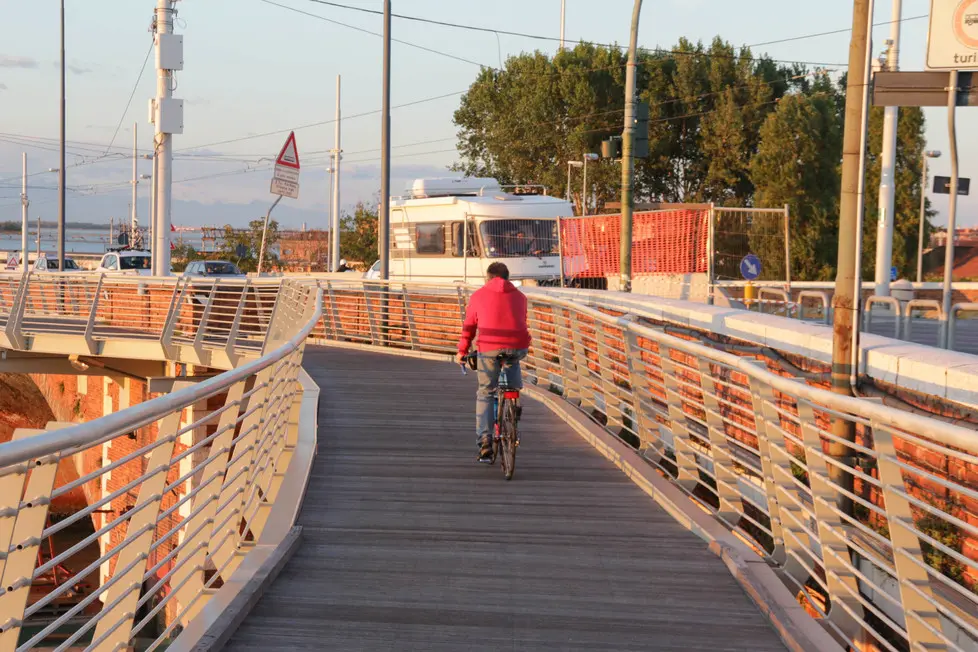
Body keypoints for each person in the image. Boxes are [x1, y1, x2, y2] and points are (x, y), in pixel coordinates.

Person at [456, 262, 532, 463]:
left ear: (488, 278)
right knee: (512, 373)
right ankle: (513, 407)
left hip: (489, 348)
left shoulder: (478, 296)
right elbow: (521, 321)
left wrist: (462, 351)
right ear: (507, 278)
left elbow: (469, 326)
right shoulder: (520, 296)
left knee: (486, 392)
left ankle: (485, 441)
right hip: (518, 346)